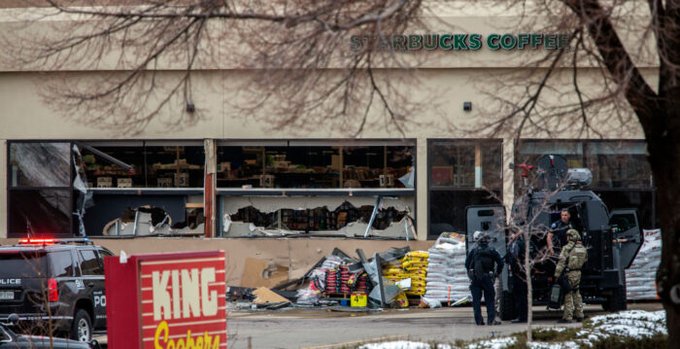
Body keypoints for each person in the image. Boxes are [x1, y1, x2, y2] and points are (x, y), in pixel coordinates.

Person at [466, 231, 504, 326]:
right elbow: (501, 263)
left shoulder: (474, 251)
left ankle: (479, 320)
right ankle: (491, 320)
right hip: (488, 277)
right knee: (490, 300)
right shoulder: (492, 250)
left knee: (476, 301)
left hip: (475, 278)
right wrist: (496, 273)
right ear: (487, 241)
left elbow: (466, 264)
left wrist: (471, 273)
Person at [554, 229, 588, 323]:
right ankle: (580, 314)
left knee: (568, 294)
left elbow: (561, 262)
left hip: (569, 273)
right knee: (577, 293)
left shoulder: (567, 248)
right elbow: (585, 260)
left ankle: (568, 317)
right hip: (578, 273)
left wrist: (557, 274)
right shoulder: (583, 248)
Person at [508, 230, 528, 323]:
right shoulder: (519, 243)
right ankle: (523, 316)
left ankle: (522, 317)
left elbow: (514, 258)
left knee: (520, 295)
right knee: (521, 295)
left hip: (518, 272)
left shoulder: (517, 244)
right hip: (521, 272)